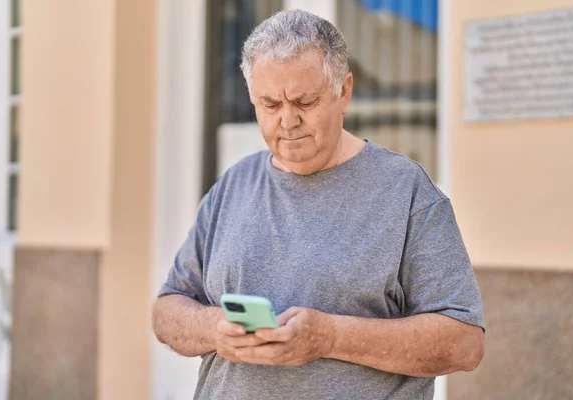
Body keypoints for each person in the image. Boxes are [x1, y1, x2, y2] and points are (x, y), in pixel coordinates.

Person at [152, 9, 485, 400]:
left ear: (344, 91)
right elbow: (167, 311)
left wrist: (331, 337)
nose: (287, 121)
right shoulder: (233, 185)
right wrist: (213, 329)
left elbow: (464, 343)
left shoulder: (407, 192)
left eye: (304, 102)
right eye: (270, 105)